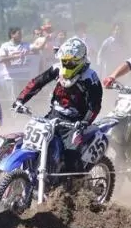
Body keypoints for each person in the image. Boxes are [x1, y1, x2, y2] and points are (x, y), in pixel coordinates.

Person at [12, 37, 103, 176]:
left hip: (75, 122)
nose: (67, 64)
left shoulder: (90, 78)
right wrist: (20, 100)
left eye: (71, 62)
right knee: (31, 142)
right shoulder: (58, 68)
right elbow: (37, 83)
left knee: (71, 155)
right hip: (53, 116)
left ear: (80, 60)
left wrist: (85, 122)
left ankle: (78, 186)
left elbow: (95, 105)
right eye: (64, 61)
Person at [0, 26, 41, 98]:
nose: (21, 35)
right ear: (12, 35)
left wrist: (44, 39)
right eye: (19, 33)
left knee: (25, 98)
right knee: (14, 99)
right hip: (11, 78)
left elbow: (38, 47)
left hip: (24, 77)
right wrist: (16, 56)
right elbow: (1, 59)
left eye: (21, 34)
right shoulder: (5, 46)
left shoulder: (26, 45)